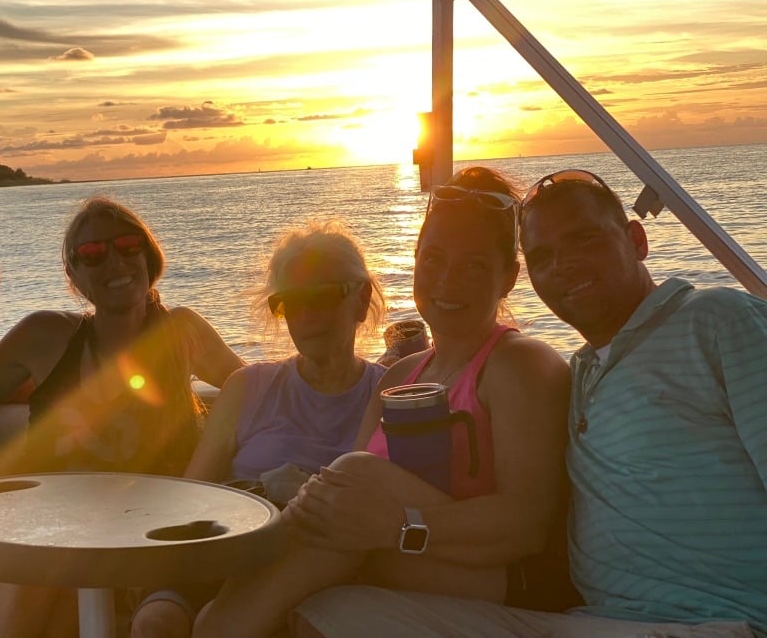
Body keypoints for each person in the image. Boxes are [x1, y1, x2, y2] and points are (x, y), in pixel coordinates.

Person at [194, 166, 571, 638]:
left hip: (503, 581)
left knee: (353, 479)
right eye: (432, 260)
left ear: (509, 277)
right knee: (335, 505)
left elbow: (527, 526)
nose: (447, 281)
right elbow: (341, 511)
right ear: (414, 259)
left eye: (474, 265)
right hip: (396, 564)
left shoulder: (520, 364)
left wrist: (396, 525)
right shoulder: (397, 378)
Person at [0, 195, 244, 638]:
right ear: (74, 275)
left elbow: (255, 391)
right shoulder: (45, 336)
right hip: (55, 533)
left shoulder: (181, 333)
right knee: (44, 588)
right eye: (93, 253)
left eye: (129, 245)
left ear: (149, 256)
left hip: (158, 537)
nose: (115, 261)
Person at [131, 219, 388, 637]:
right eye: (290, 302)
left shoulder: (388, 394)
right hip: (225, 548)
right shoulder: (248, 387)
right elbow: (191, 498)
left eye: (323, 296)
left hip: (319, 571)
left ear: (362, 301)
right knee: (157, 622)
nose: (307, 316)